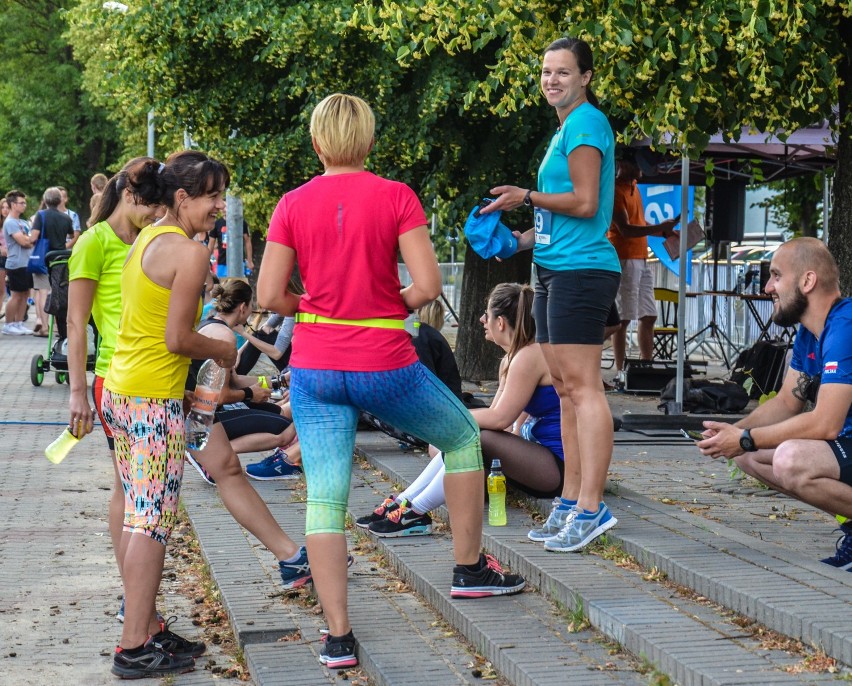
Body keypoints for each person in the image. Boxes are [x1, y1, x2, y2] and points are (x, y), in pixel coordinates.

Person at [257, 93, 525, 670]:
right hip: (384, 362)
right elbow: (427, 287)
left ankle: (337, 638)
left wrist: (315, 306)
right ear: (371, 141)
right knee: (460, 439)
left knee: (326, 498)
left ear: (317, 143)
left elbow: (268, 296)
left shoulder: (292, 203)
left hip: (316, 367)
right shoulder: (396, 196)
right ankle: (469, 569)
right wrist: (380, 305)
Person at [99, 151, 242, 679]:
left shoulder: (147, 239)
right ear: (182, 198)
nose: (220, 206)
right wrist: (224, 353)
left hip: (123, 391)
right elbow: (179, 338)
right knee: (151, 522)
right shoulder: (190, 252)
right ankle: (133, 643)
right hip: (148, 400)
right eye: (212, 196)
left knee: (142, 514)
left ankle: (147, 627)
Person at [481, 37, 620, 552]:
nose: (552, 80)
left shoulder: (586, 123)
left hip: (583, 272)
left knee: (584, 388)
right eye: (545, 72)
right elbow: (557, 216)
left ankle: (591, 506)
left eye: (563, 72)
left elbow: (584, 203)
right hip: (554, 267)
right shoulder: (564, 128)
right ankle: (569, 501)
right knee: (563, 388)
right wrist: (513, 239)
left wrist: (526, 195)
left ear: (585, 77)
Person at [359, 283, 565, 538]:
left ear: (500, 322)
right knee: (462, 439)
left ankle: (416, 511)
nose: (481, 320)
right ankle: (406, 502)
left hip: (557, 468)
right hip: (538, 459)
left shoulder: (529, 356)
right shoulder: (513, 357)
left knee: (472, 436)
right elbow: (496, 414)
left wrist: (451, 418)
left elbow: (499, 418)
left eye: (486, 314)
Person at [696, 237, 852, 570]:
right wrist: (730, 434)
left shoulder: (846, 326)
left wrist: (744, 438)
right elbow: (786, 402)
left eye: (776, 275)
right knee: (749, 458)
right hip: (846, 444)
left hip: (842, 438)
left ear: (807, 281)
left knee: (790, 459)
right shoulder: (810, 331)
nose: (767, 287)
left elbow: (826, 423)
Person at [67, 159, 163, 622]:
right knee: (132, 494)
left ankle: (136, 598)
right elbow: (75, 322)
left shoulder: (147, 239)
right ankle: (135, 600)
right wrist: (77, 391)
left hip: (147, 377)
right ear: (128, 195)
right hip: (114, 380)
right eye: (152, 205)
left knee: (129, 491)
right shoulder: (94, 242)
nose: (157, 213)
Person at [606, 149, 678, 371]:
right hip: (623, 258)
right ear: (624, 164)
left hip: (640, 257)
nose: (641, 173)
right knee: (623, 319)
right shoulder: (614, 191)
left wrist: (664, 232)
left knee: (649, 315)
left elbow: (639, 221)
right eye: (638, 167)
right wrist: (660, 228)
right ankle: (620, 371)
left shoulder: (634, 187)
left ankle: (646, 367)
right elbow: (626, 229)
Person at [30, 187, 75, 337]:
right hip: (60, 259)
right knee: (57, 291)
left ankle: (44, 327)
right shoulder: (66, 217)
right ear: (59, 200)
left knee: (42, 292)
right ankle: (58, 326)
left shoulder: (41, 215)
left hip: (44, 258)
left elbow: (34, 237)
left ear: (45, 200)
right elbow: (71, 234)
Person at [2, 190, 33, 335]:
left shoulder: (23, 222)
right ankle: (8, 324)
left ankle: (19, 323)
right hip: (16, 263)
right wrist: (28, 239)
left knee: (25, 294)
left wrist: (29, 239)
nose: (24, 205)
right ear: (13, 205)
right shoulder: (10, 222)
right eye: (21, 203)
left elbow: (31, 240)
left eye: (24, 203)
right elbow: (23, 241)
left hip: (27, 263)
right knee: (15, 295)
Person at [208, 203, 253, 277]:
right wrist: (207, 261)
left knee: (238, 285)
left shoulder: (240, 222)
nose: (224, 209)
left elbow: (247, 241)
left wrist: (250, 261)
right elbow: (211, 244)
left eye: (226, 207)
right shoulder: (217, 224)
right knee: (222, 286)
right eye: (223, 207)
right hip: (222, 263)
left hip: (238, 262)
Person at [0, 198, 9, 320]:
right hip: (1, 258)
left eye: (7, 207)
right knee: (1, 289)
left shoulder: (16, 223)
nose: (5, 210)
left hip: (13, 258)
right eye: (3, 207)